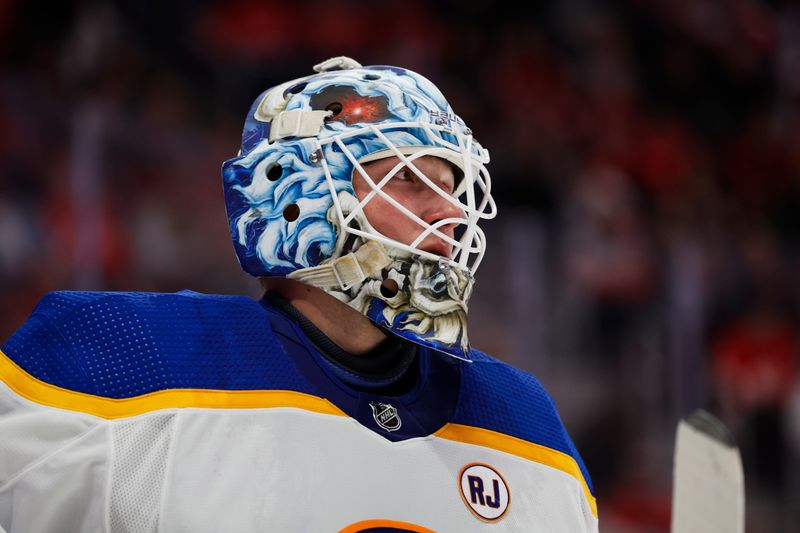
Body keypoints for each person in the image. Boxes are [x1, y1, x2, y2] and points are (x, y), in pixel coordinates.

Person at [0, 56, 597, 532]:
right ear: (298, 196)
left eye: (454, 187)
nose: (450, 213)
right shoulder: (121, 361)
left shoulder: (526, 428)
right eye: (409, 179)